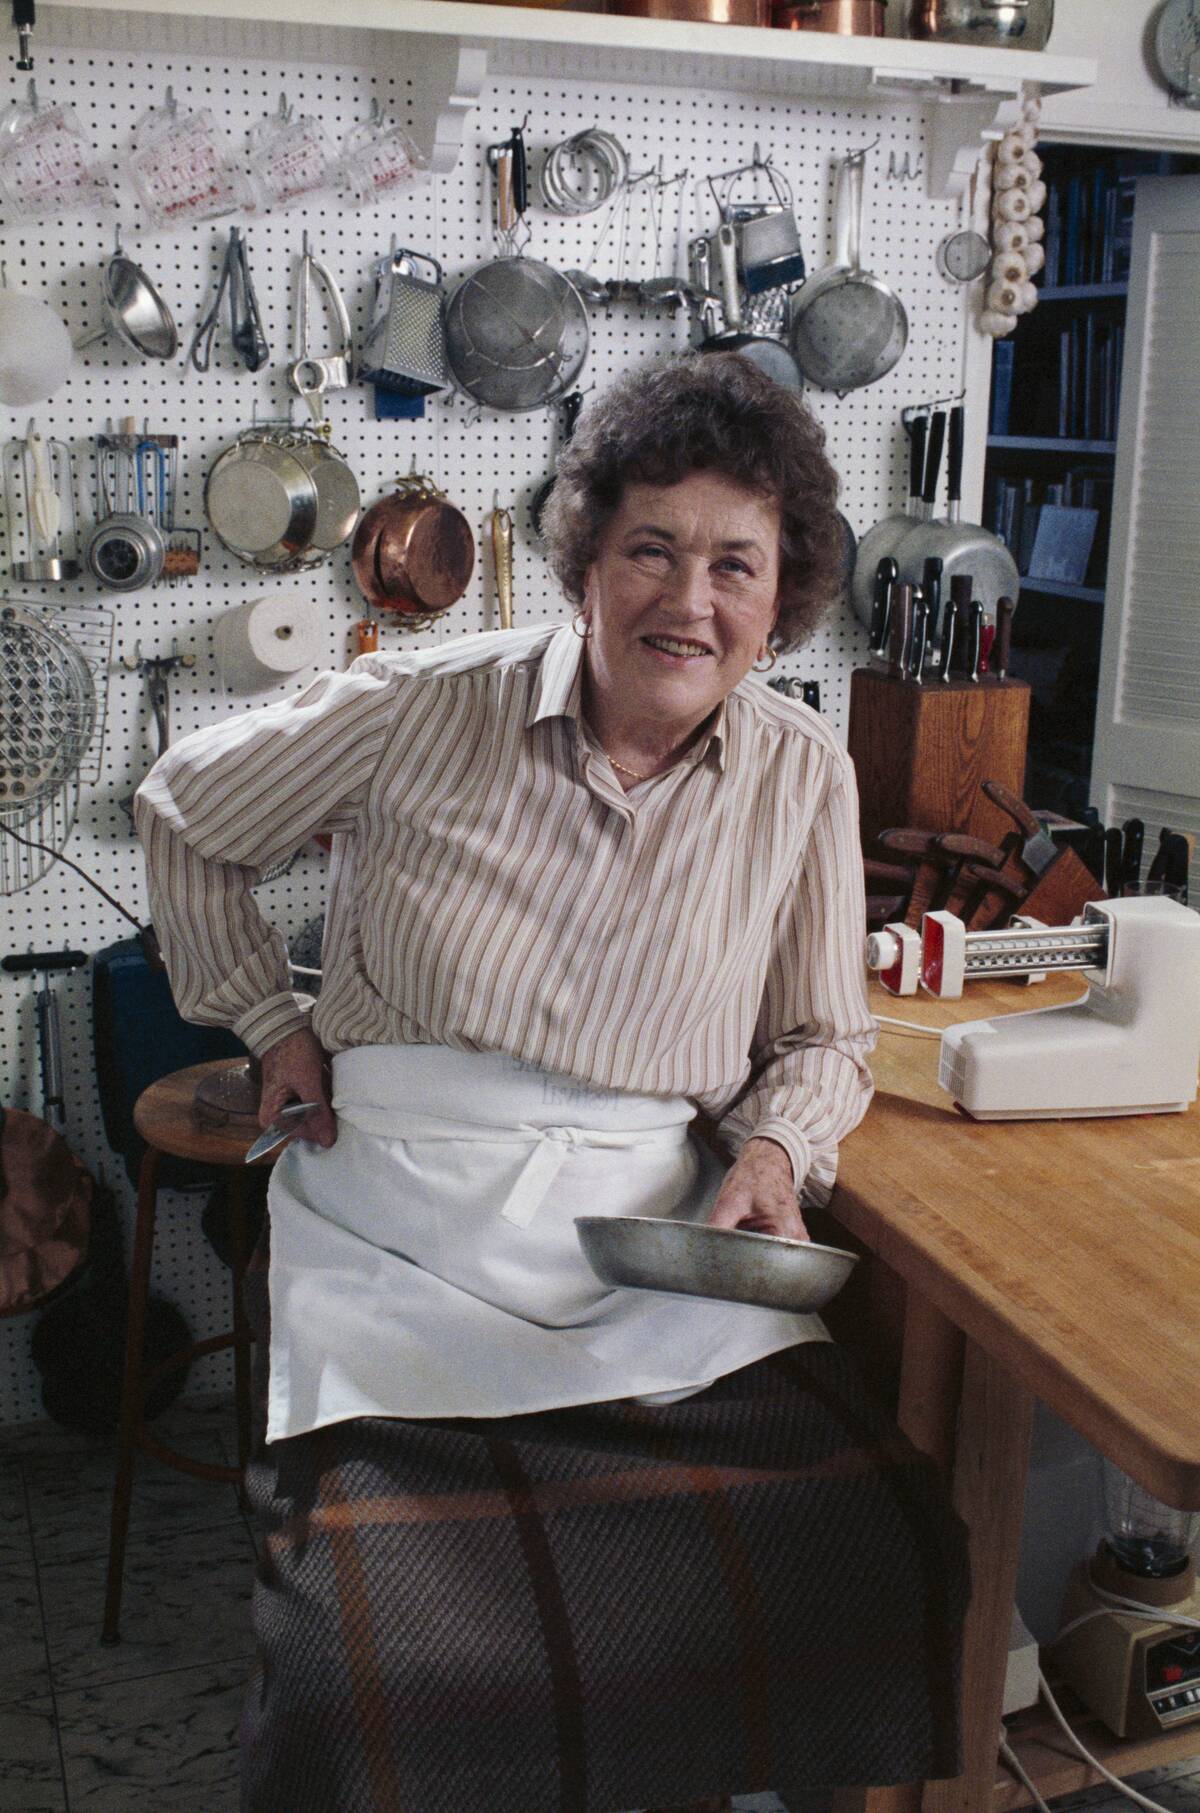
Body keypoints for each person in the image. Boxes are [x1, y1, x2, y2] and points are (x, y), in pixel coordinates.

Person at [135, 354, 968, 1813]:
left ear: (786, 600)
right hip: (395, 1223)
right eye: (649, 547)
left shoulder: (804, 774)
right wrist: (269, 1020)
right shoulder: (420, 704)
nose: (686, 600)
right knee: (366, 1667)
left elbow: (827, 1038)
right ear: (588, 559)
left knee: (867, 1555)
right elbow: (187, 811)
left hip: (639, 1241)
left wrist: (774, 1157)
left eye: (734, 564)